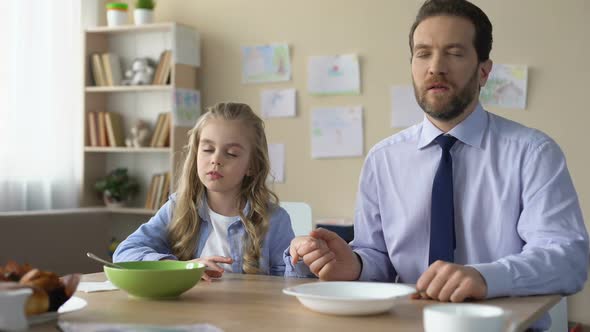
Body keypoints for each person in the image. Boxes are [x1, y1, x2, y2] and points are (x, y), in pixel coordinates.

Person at [285, 0, 589, 330]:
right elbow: (379, 260)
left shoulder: (533, 153)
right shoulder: (383, 159)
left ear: (484, 71)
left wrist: (485, 278)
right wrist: (353, 265)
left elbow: (568, 261)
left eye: (455, 53)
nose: (436, 67)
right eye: (423, 53)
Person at [114, 102, 295, 281]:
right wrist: (181, 267)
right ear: (196, 154)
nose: (215, 159)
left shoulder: (275, 220)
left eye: (231, 153)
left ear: (252, 166)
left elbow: (291, 284)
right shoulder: (178, 208)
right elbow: (125, 253)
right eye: (208, 149)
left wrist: (301, 258)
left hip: (249, 310)